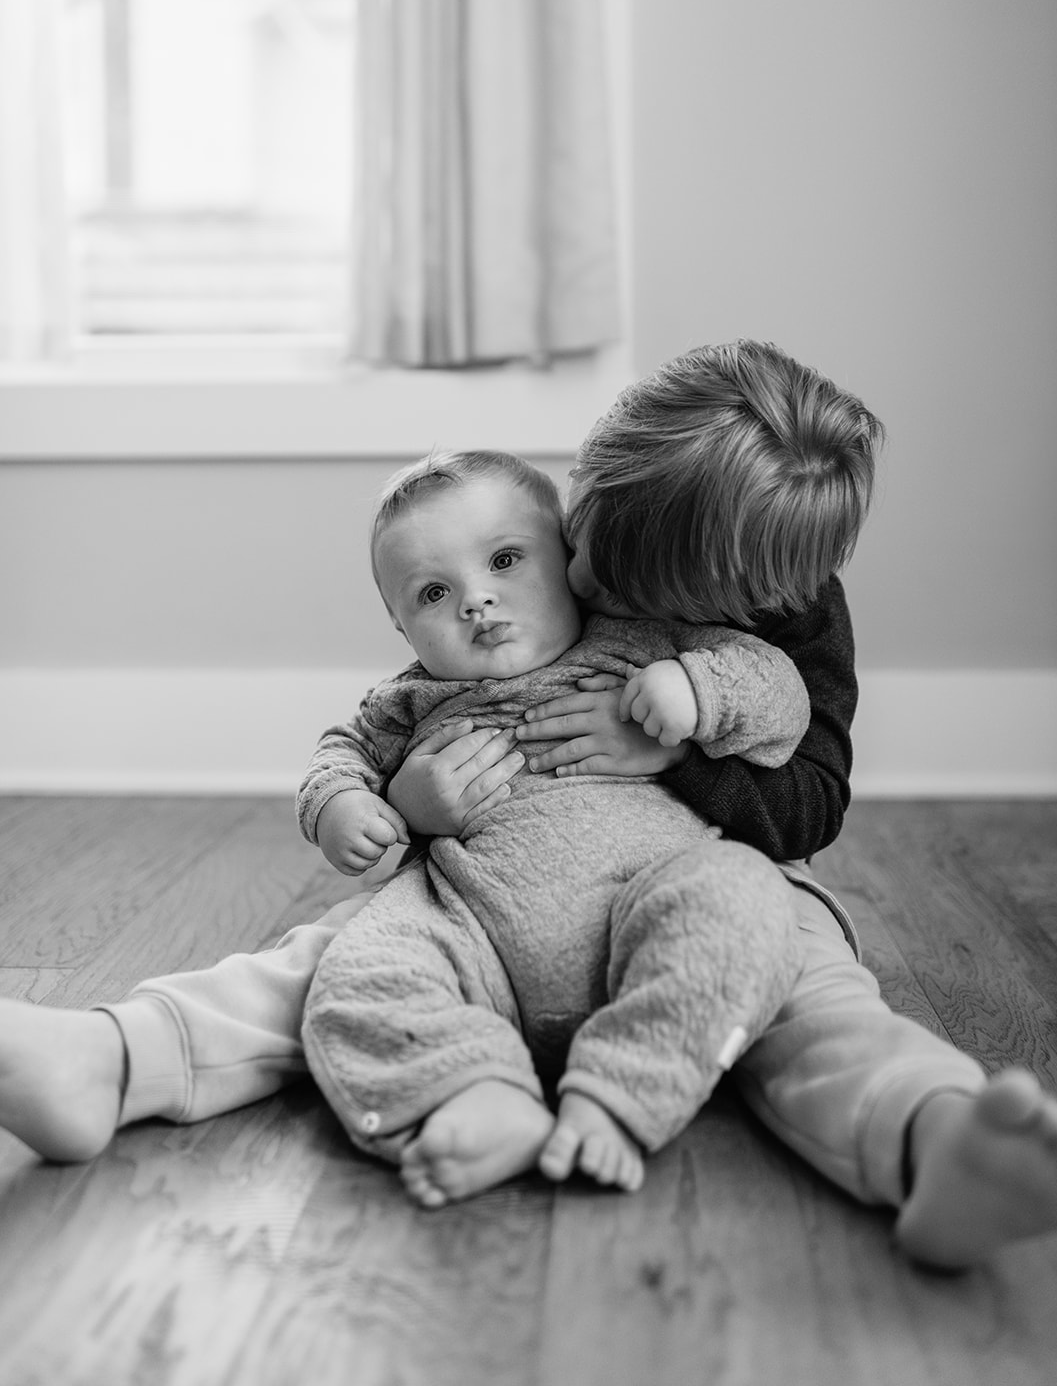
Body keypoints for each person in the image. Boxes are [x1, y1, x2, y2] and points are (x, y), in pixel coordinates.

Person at [1, 340, 1057, 1269]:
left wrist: (677, 738)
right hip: (481, 887)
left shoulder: (775, 612)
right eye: (575, 532)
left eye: (549, 561)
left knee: (802, 984)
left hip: (698, 861)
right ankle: (113, 1058)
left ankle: (932, 1139)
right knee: (335, 962)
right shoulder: (557, 536)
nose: (558, 573)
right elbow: (383, 715)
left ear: (726, 600)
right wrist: (404, 804)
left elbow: (802, 776)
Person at [297, 448, 811, 1204]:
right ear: (402, 627)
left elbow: (783, 696)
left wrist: (698, 689)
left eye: (505, 560)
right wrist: (344, 806)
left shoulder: (643, 641)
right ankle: (473, 1089)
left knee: (747, 902)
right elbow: (337, 757)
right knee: (355, 977)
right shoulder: (405, 704)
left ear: (572, 559)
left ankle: (620, 1093)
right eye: (434, 593)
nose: (476, 602)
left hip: (651, 897)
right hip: (473, 932)